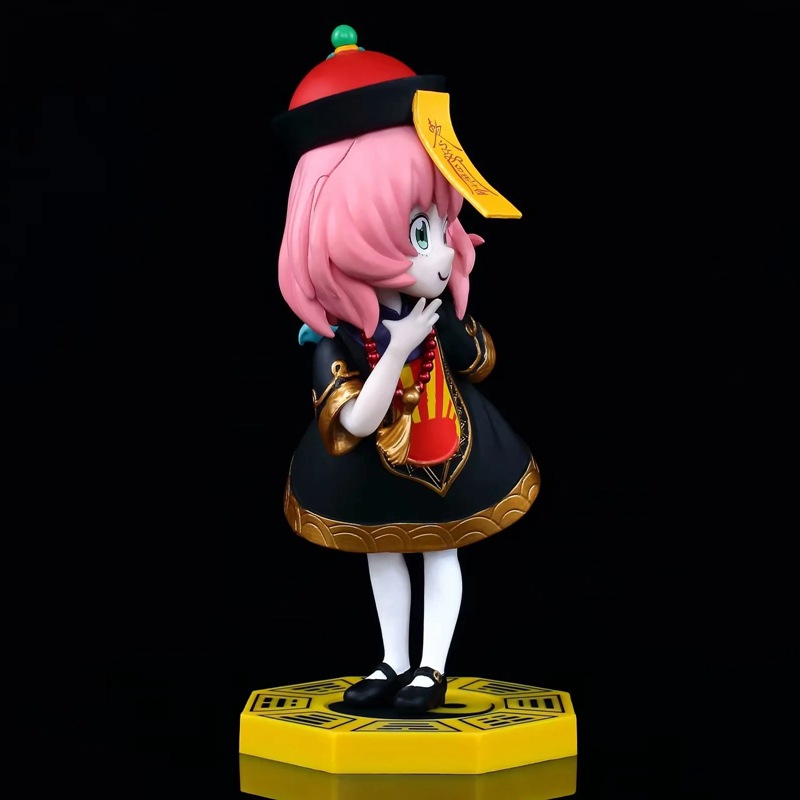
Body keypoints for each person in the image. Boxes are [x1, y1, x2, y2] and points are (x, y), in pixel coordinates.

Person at [274, 26, 540, 713]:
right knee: (383, 553)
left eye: (436, 226)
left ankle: (431, 668)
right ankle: (393, 659)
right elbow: (352, 426)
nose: (440, 252)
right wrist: (395, 351)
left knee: (443, 552)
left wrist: (445, 328)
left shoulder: (435, 313)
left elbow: (480, 361)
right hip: (370, 466)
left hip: (454, 448)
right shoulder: (335, 342)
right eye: (418, 232)